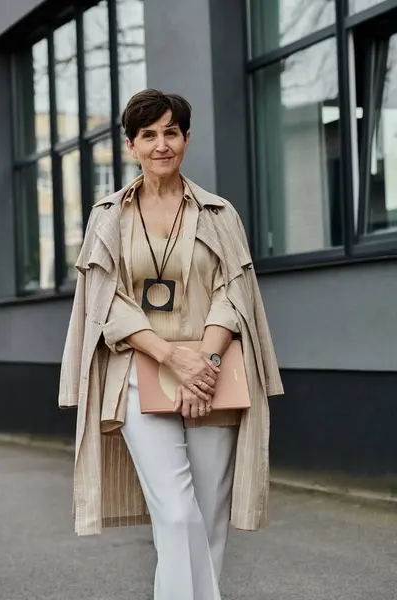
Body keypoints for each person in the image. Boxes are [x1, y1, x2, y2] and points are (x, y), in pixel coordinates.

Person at [58, 89, 283, 600]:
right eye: (149, 135)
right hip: (138, 377)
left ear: (186, 138)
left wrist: (202, 359)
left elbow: (235, 291)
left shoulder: (219, 213)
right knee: (177, 514)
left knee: (207, 519)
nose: (161, 144)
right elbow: (103, 301)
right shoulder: (108, 216)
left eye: (171, 132)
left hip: (212, 376)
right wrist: (169, 356)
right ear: (131, 145)